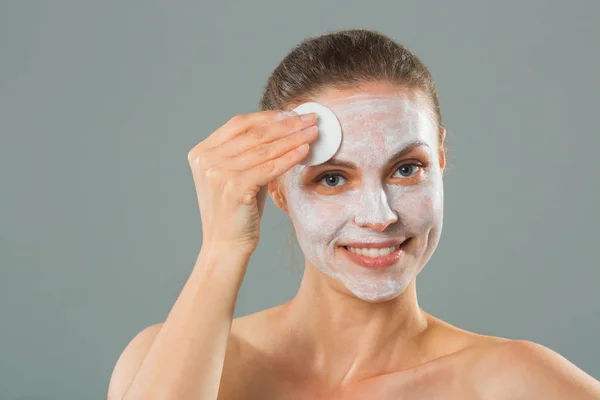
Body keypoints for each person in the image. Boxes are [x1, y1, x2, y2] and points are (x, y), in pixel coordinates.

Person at [107, 29, 600, 400]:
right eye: (332, 178)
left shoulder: (513, 382)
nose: (378, 216)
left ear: (442, 162)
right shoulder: (170, 362)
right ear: (277, 189)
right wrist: (222, 248)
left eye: (407, 169)